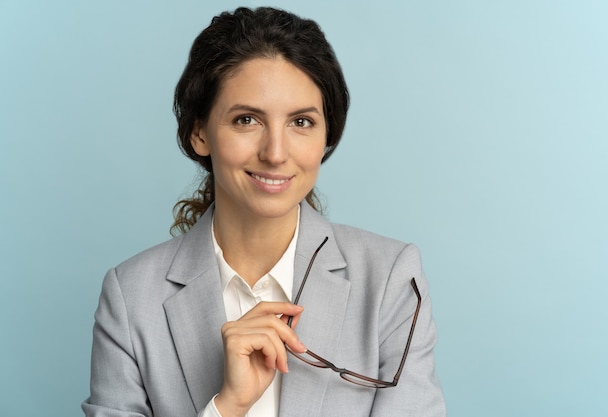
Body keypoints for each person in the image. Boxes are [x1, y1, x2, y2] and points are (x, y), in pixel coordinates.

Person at [82, 6, 446, 417]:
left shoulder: (391, 279)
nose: (275, 153)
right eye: (247, 119)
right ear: (199, 132)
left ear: (327, 134)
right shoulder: (130, 297)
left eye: (301, 122)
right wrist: (225, 408)